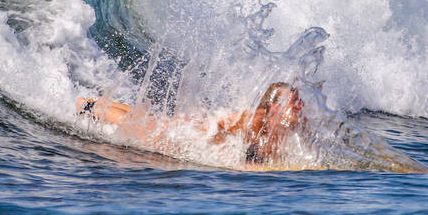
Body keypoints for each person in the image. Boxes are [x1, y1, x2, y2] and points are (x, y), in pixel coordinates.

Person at [77, 82, 305, 165]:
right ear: (273, 106)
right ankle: (89, 106)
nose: (299, 106)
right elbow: (223, 125)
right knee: (140, 125)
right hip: (192, 134)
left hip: (197, 132)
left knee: (149, 120)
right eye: (293, 101)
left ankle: (99, 100)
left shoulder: (282, 129)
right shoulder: (257, 118)